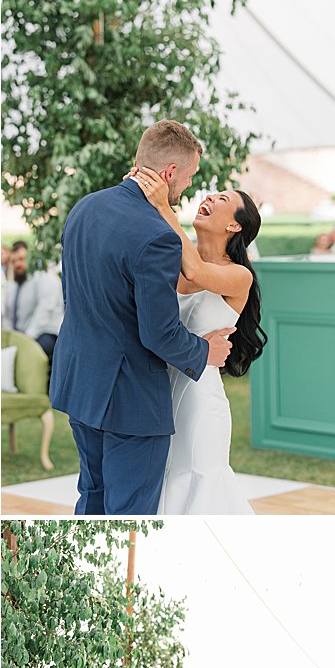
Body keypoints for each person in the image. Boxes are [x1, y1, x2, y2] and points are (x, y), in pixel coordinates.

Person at [49, 121, 235, 516]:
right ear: (169, 173)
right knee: (129, 515)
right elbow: (159, 333)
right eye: (187, 178)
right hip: (130, 403)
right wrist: (205, 351)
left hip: (80, 383)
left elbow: (78, 299)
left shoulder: (83, 208)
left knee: (92, 500)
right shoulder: (157, 236)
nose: (186, 188)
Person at [133, 161, 266, 515]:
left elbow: (196, 271)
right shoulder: (171, 255)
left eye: (221, 198)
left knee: (199, 482)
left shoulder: (239, 277)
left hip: (200, 404)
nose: (208, 197)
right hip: (160, 396)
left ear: (234, 225)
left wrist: (164, 206)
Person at [3, 241, 63, 358]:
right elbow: (8, 315)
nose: (17, 264)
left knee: (28, 355)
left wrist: (26, 339)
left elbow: (44, 311)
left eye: (21, 259)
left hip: (46, 332)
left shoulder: (43, 277)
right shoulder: (13, 285)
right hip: (21, 335)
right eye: (14, 261)